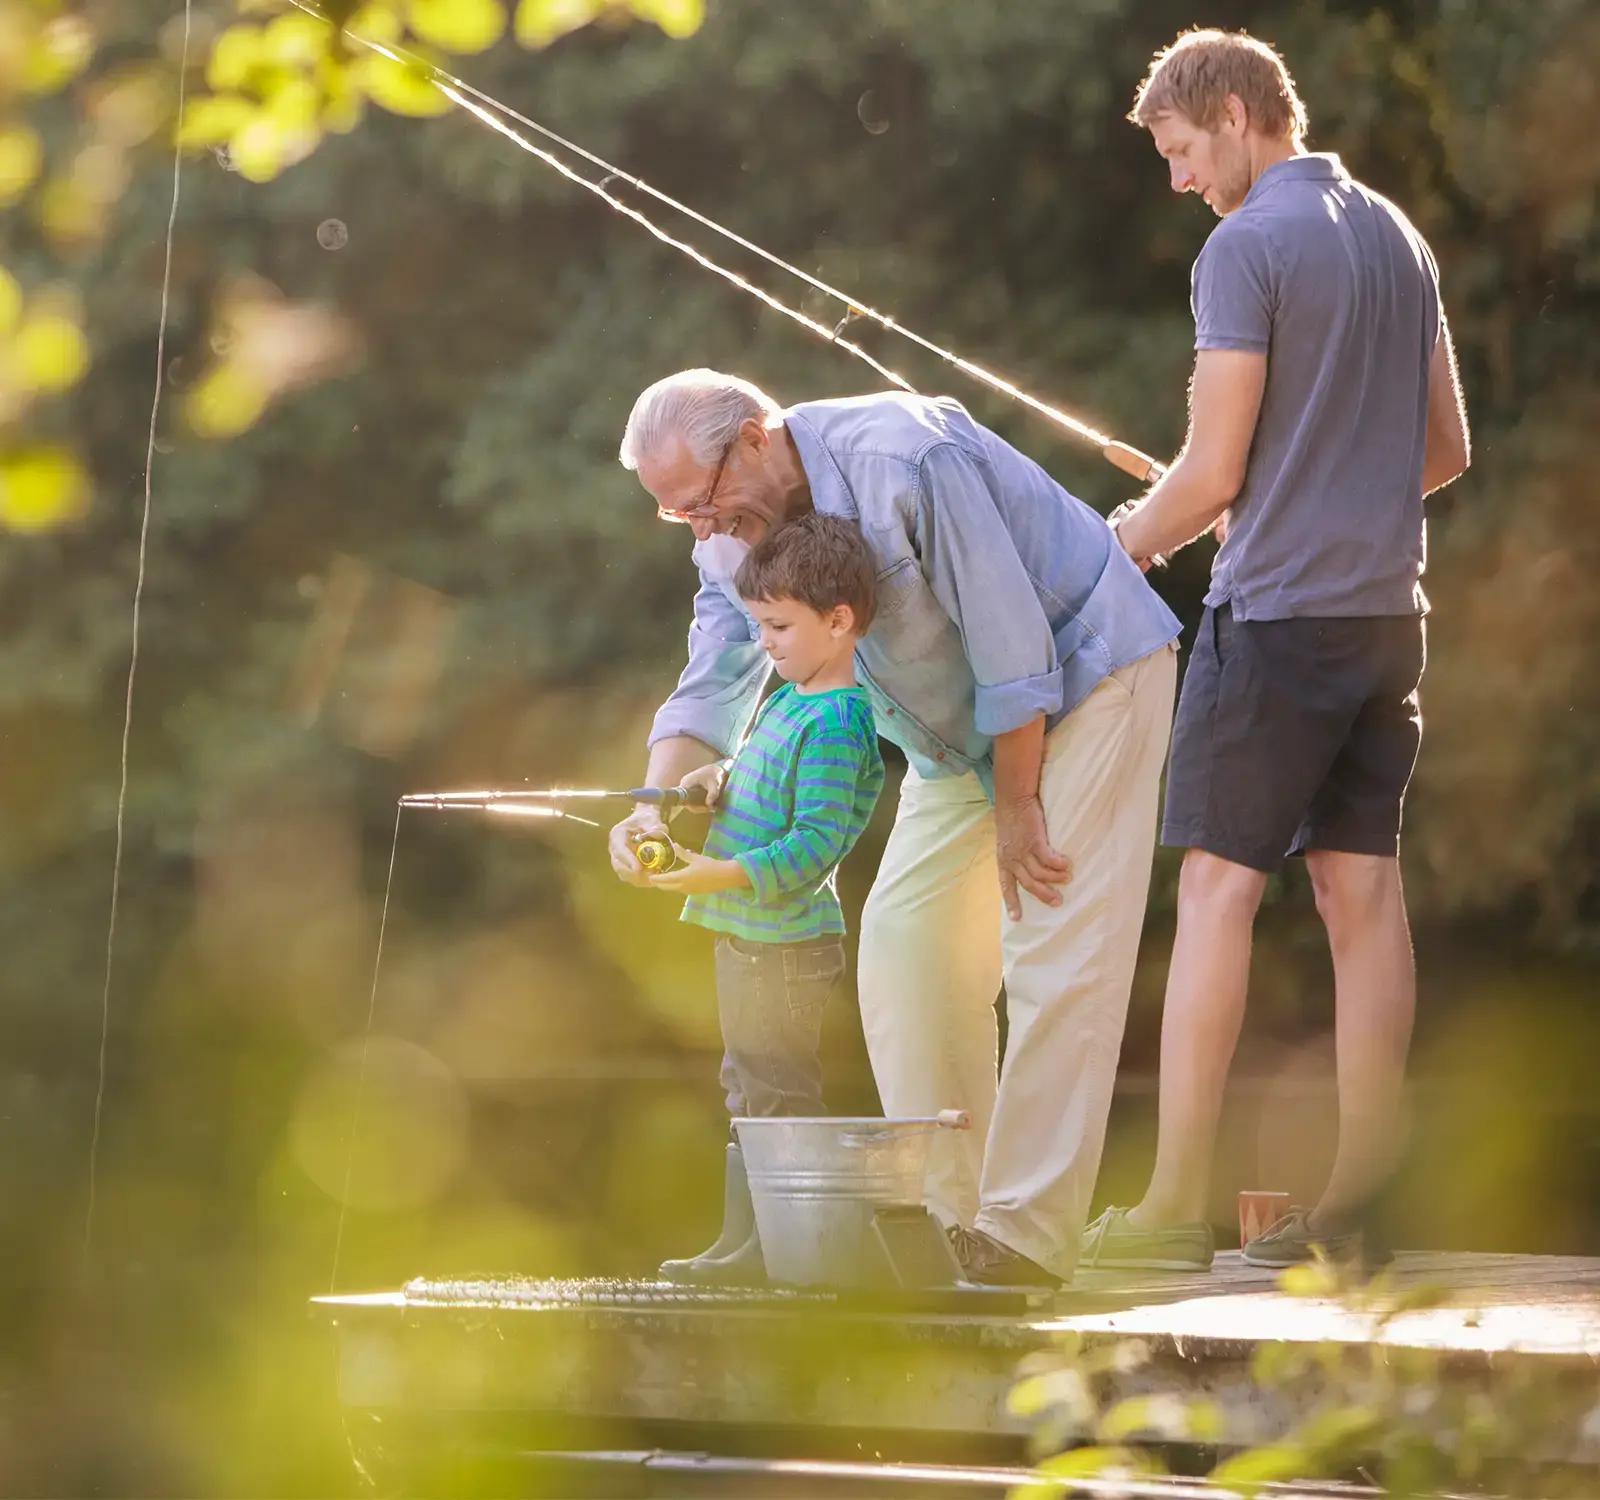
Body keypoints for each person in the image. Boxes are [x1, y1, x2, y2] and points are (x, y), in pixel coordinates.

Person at [609, 369, 1181, 1287]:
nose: (705, 528)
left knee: (1053, 940)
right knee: (906, 947)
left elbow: (1012, 643)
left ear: (756, 435)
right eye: (681, 517)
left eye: (705, 502)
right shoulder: (728, 536)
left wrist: (1020, 805)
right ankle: (952, 1224)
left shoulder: (907, 458)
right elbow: (716, 663)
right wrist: (653, 803)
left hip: (1084, 677)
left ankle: (1024, 1237)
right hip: (952, 737)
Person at [1082, 29, 1471, 1272]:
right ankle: (1361, 1210)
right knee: (1362, 894)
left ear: (1242, 114)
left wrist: (1117, 548)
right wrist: (1310, 487)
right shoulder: (1397, 236)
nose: (1181, 180)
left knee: (1214, 891)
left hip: (1277, 624)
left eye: (1185, 151)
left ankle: (1169, 1208)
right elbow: (1444, 450)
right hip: (1386, 621)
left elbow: (1204, 477)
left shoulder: (1244, 247)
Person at [645, 514, 885, 1283]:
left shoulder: (840, 721)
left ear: (839, 622)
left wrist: (720, 873)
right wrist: (714, 782)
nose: (768, 642)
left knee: (781, 1090)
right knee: (746, 1085)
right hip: (746, 938)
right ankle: (743, 1245)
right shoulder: (788, 700)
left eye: (779, 626)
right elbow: (759, 787)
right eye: (759, 625)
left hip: (785, 948)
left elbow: (814, 844)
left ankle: (792, 1253)